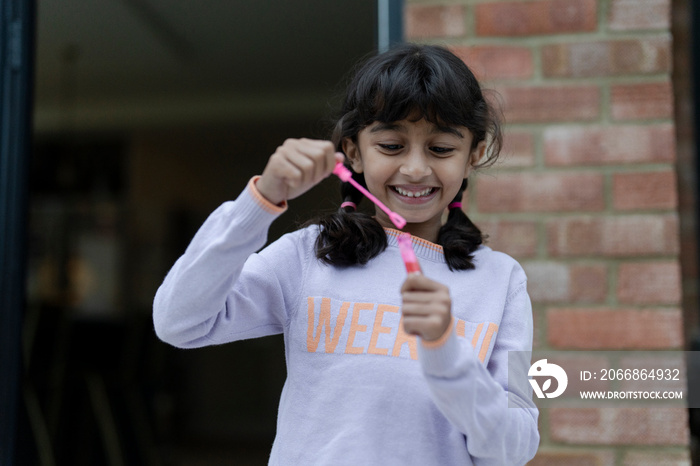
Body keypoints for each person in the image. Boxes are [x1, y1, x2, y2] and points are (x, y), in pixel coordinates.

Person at [153, 43, 539, 465]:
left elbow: (515, 447)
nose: (414, 169)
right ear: (353, 152)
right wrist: (259, 202)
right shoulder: (307, 256)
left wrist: (448, 354)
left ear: (474, 155)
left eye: (441, 148)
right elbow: (179, 322)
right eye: (391, 146)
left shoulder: (504, 282)